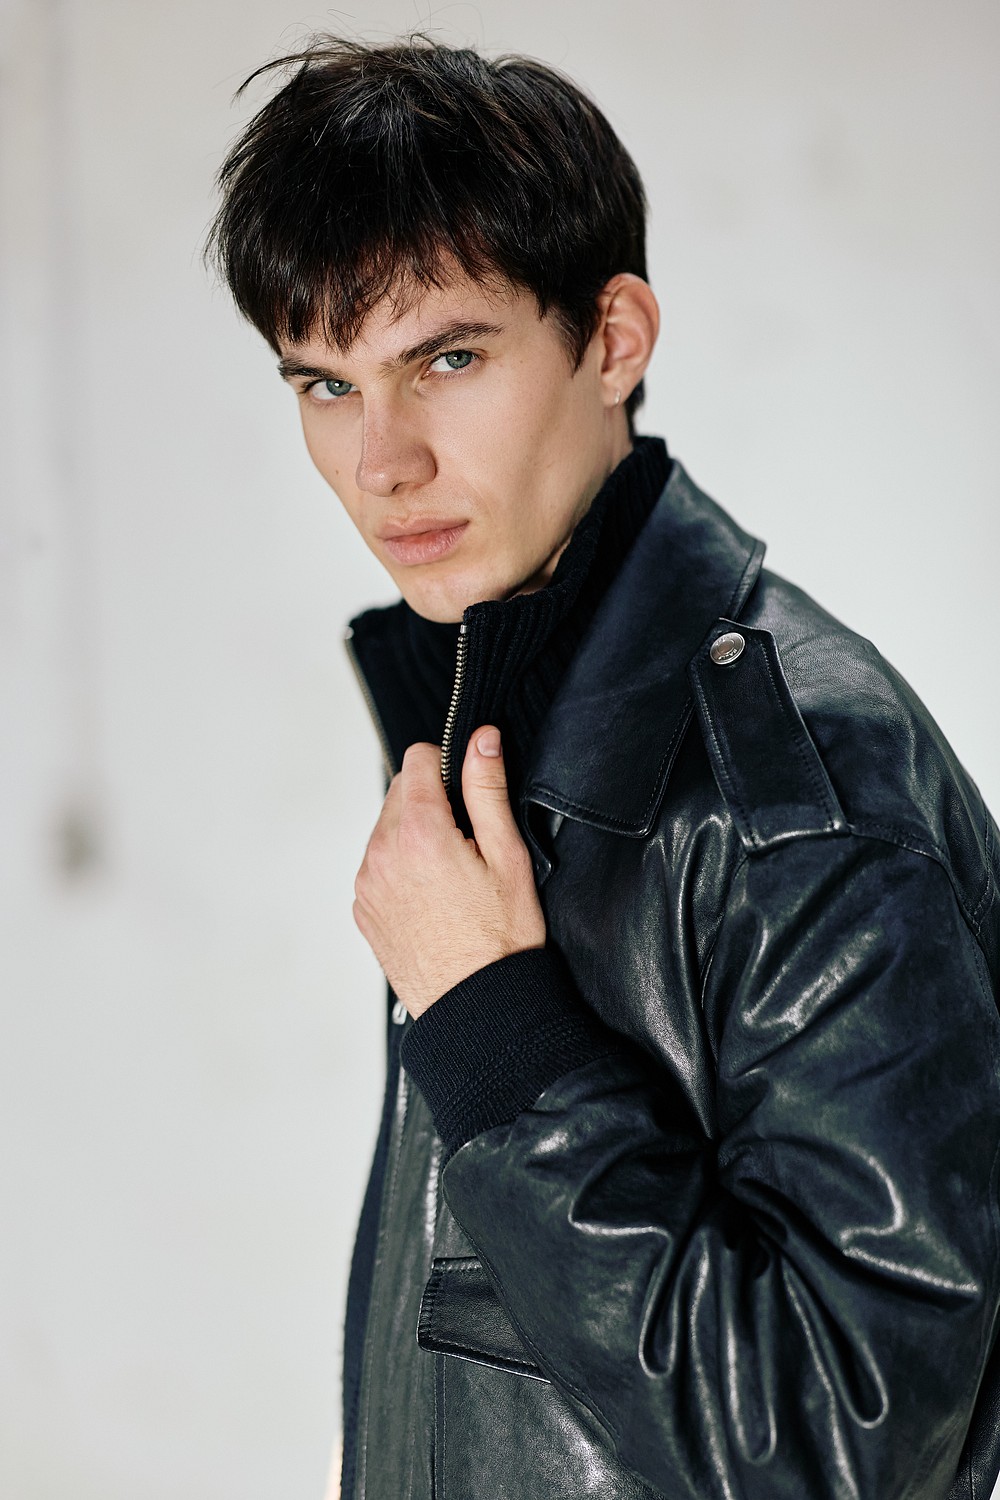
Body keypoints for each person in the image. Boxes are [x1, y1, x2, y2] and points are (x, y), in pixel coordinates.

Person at [207, 34, 1000, 1500]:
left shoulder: (797, 793)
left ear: (615, 338)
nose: (380, 461)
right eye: (323, 384)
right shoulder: (505, 730)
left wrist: (499, 1038)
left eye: (447, 359)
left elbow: (850, 1447)